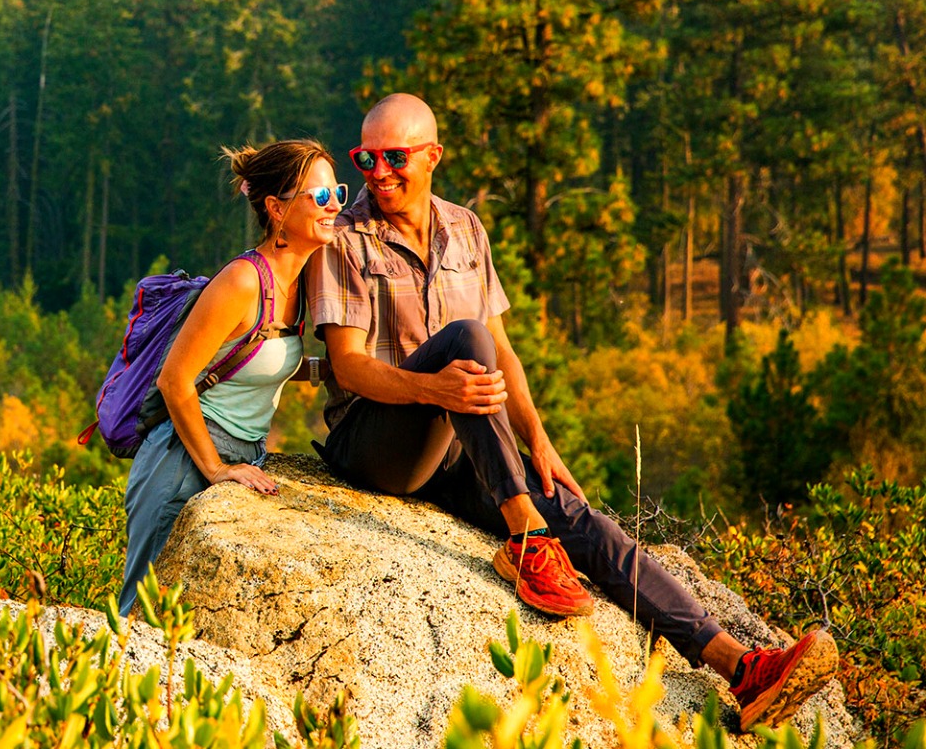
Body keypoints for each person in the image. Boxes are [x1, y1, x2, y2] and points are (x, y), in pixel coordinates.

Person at [306, 93, 836, 731]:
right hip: (376, 442)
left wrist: (539, 442)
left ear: (434, 157)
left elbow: (506, 351)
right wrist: (433, 391)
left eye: (395, 157)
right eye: (366, 158)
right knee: (465, 341)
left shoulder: (466, 229)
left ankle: (740, 667)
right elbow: (347, 365)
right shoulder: (344, 240)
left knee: (581, 518)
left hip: (458, 444)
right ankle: (526, 536)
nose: (378, 172)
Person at [119, 138, 343, 614]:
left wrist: (337, 370)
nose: (335, 207)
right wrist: (216, 470)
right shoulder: (243, 281)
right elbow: (175, 380)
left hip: (247, 452)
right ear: (276, 208)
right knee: (141, 614)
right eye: (320, 197)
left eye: (337, 193)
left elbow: (256, 360)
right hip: (182, 460)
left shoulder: (301, 282)